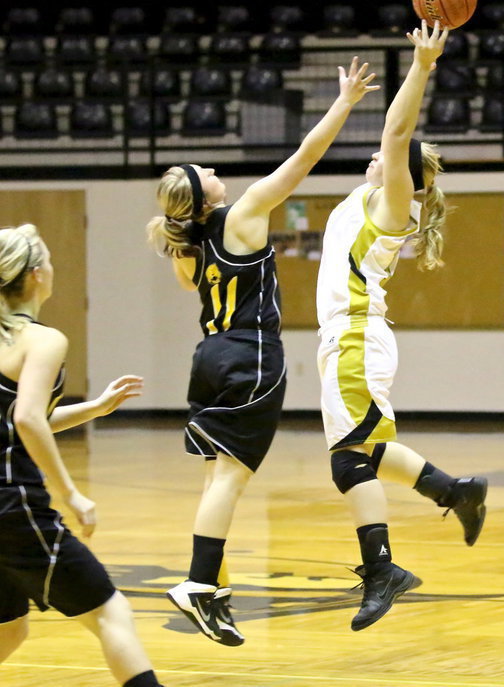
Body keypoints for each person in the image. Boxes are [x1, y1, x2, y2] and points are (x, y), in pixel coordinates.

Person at [146, 57, 378, 646]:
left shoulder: (187, 247)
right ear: (202, 194)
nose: (213, 166)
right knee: (230, 478)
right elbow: (304, 157)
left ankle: (213, 592)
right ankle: (199, 585)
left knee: (217, 479)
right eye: (205, 168)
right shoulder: (243, 214)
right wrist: (346, 101)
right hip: (250, 355)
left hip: (209, 355)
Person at [315, 20, 488, 632]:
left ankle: (381, 568)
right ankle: (454, 491)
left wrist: (422, 64)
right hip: (353, 337)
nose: (374, 154)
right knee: (370, 444)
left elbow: (395, 132)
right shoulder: (375, 202)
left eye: (384, 158)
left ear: (400, 173)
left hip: (356, 335)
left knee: (348, 461)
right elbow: (392, 141)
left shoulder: (393, 201)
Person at [0, 224, 162, 687]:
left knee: (8, 631)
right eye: (49, 259)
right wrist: (71, 494)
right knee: (112, 613)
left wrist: (95, 407)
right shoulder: (43, 340)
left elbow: (18, 419)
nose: (53, 268)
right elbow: (28, 419)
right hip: (14, 505)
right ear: (34, 275)